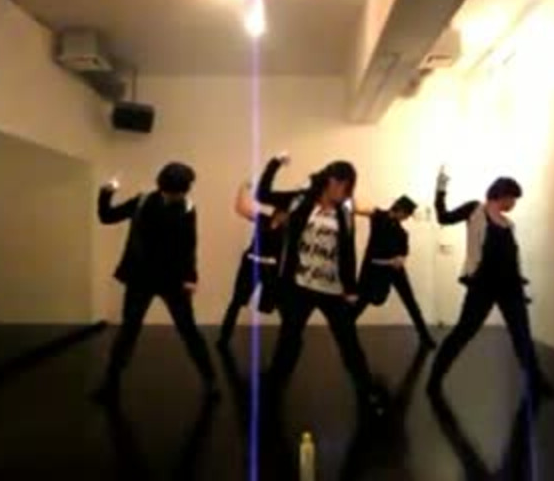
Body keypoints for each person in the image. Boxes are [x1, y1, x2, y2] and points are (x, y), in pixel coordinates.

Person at [257, 155, 387, 414]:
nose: (346, 193)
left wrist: (350, 288)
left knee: (349, 342)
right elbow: (263, 194)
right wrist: (274, 164)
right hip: (300, 286)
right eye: (344, 186)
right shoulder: (300, 201)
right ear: (331, 181)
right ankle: (271, 391)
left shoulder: (344, 212)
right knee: (288, 340)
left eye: (349, 188)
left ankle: (367, 391)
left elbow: (347, 252)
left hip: (332, 290)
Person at [91, 162, 217, 404]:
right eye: (172, 191)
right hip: (140, 278)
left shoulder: (188, 208)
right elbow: (107, 217)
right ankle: (110, 383)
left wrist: (191, 277)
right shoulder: (142, 202)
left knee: (188, 330)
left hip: (173, 280)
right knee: (129, 330)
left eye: (180, 192)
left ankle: (210, 381)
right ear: (162, 186)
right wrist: (106, 193)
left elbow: (189, 245)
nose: (176, 196)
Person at [426, 169, 554, 398]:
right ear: (503, 195)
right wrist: (440, 189)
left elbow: (511, 258)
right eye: (513, 198)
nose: (514, 204)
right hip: (483, 284)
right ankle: (435, 377)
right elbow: (443, 218)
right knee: (464, 331)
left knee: (521, 333)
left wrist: (519, 286)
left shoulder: (508, 224)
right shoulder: (475, 209)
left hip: (510, 287)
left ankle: (536, 380)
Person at [217, 153, 292, 348]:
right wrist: (243, 187)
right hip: (251, 263)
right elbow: (241, 208)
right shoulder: (263, 219)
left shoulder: (291, 229)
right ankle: (223, 339)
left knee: (280, 305)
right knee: (237, 301)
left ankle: (290, 340)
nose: (283, 215)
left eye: (287, 212)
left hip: (272, 269)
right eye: (281, 211)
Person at [353, 195, 437, 349]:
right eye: (407, 215)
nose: (407, 218)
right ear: (401, 210)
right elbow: (358, 209)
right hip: (374, 271)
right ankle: (344, 330)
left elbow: (401, 258)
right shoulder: (378, 216)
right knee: (362, 301)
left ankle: (425, 337)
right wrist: (350, 191)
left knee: (410, 302)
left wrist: (397, 261)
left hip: (394, 271)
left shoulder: (402, 233)